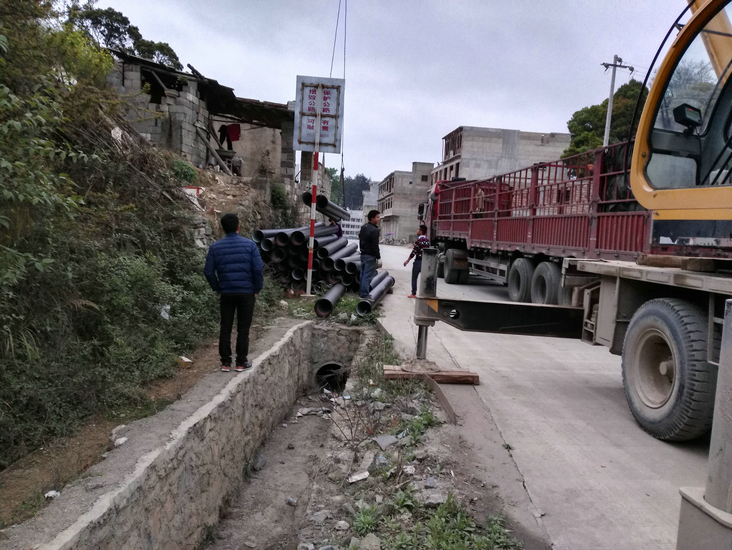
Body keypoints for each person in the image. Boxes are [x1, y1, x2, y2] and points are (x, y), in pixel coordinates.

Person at [204, 213, 264, 372]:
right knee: (243, 328)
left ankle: (225, 362)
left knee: (225, 327)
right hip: (246, 292)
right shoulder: (250, 245)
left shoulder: (215, 247)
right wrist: (257, 289)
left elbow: (208, 272)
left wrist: (218, 287)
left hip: (226, 293)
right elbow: (258, 268)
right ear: (238, 227)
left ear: (223, 229)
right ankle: (240, 362)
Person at [404, 225, 430, 298]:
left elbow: (414, 252)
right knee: (425, 278)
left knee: (414, 278)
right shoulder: (428, 241)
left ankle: (413, 293)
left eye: (418, 229)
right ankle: (425, 293)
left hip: (418, 261)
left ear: (421, 231)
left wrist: (407, 261)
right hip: (425, 262)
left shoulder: (418, 241)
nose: (417, 231)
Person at [359, 210, 381, 298]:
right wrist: (378, 256)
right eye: (377, 217)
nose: (379, 219)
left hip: (363, 254)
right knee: (367, 275)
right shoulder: (374, 230)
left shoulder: (364, 227)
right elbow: (374, 245)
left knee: (362, 274)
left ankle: (362, 292)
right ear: (372, 218)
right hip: (370, 256)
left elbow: (360, 238)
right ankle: (365, 294)